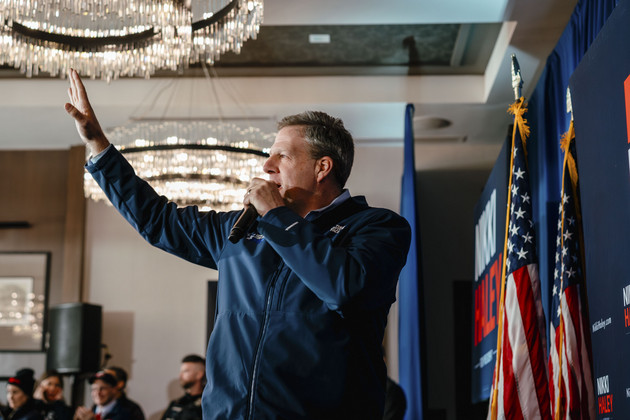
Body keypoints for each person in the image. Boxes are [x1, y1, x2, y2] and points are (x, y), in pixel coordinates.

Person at [65, 68, 412, 419]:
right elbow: (157, 220)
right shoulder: (241, 228)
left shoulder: (376, 227)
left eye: (282, 156)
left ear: (322, 167)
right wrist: (98, 146)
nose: (267, 165)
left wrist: (277, 217)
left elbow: (343, 289)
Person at [160, 355, 206, 420]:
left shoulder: (205, 405)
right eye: (181, 371)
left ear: (199, 374)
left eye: (186, 371)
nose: (180, 375)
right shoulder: (176, 403)